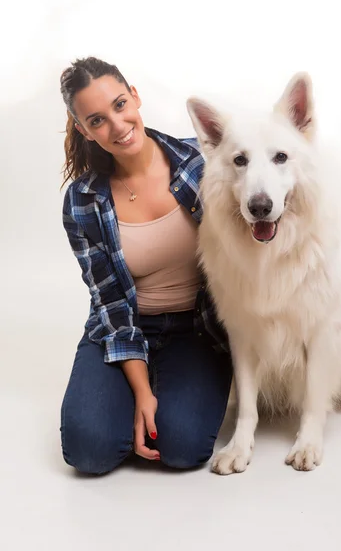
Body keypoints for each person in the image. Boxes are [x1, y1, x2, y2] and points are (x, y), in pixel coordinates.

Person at [59, 57, 232, 475]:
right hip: (123, 327)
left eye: (120, 105)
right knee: (89, 452)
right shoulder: (83, 200)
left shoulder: (202, 163)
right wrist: (141, 393)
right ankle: (143, 387)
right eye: (97, 120)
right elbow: (111, 302)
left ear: (134, 96)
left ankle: (171, 391)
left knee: (183, 449)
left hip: (197, 329)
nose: (117, 126)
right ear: (83, 130)